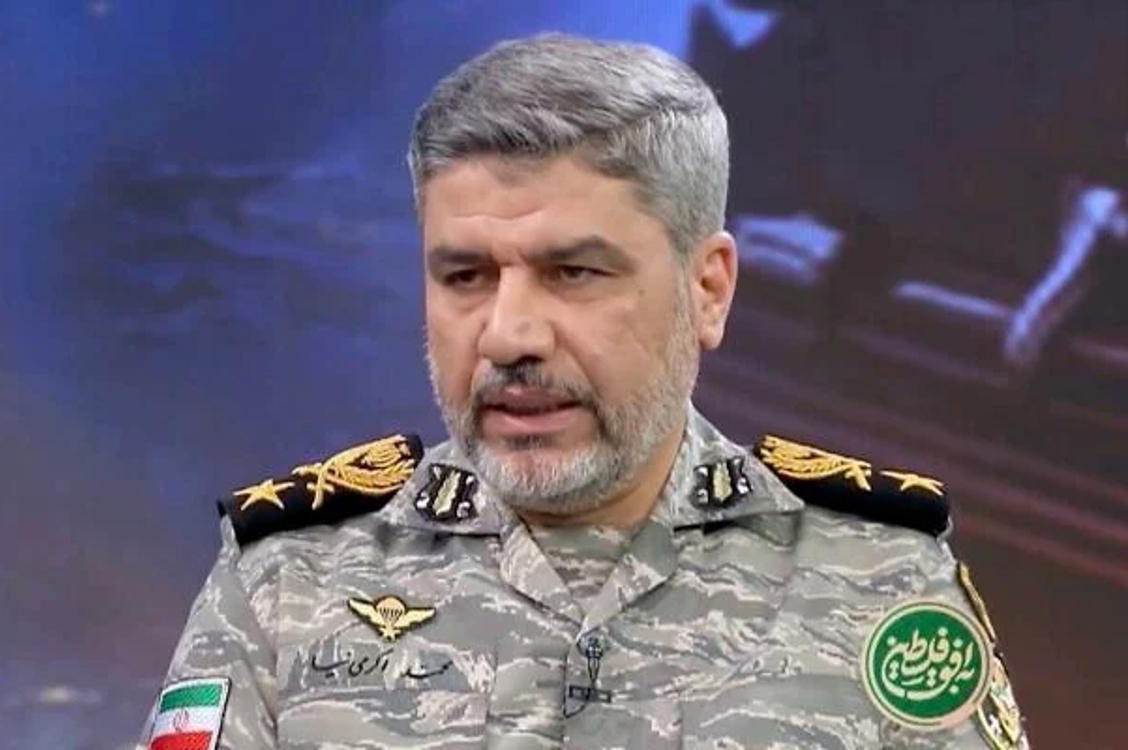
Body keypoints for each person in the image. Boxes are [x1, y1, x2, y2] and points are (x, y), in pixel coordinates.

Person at [140, 34, 1026, 749]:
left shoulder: (880, 581)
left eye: (573, 272)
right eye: (464, 276)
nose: (508, 335)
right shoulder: (285, 581)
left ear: (708, 291)